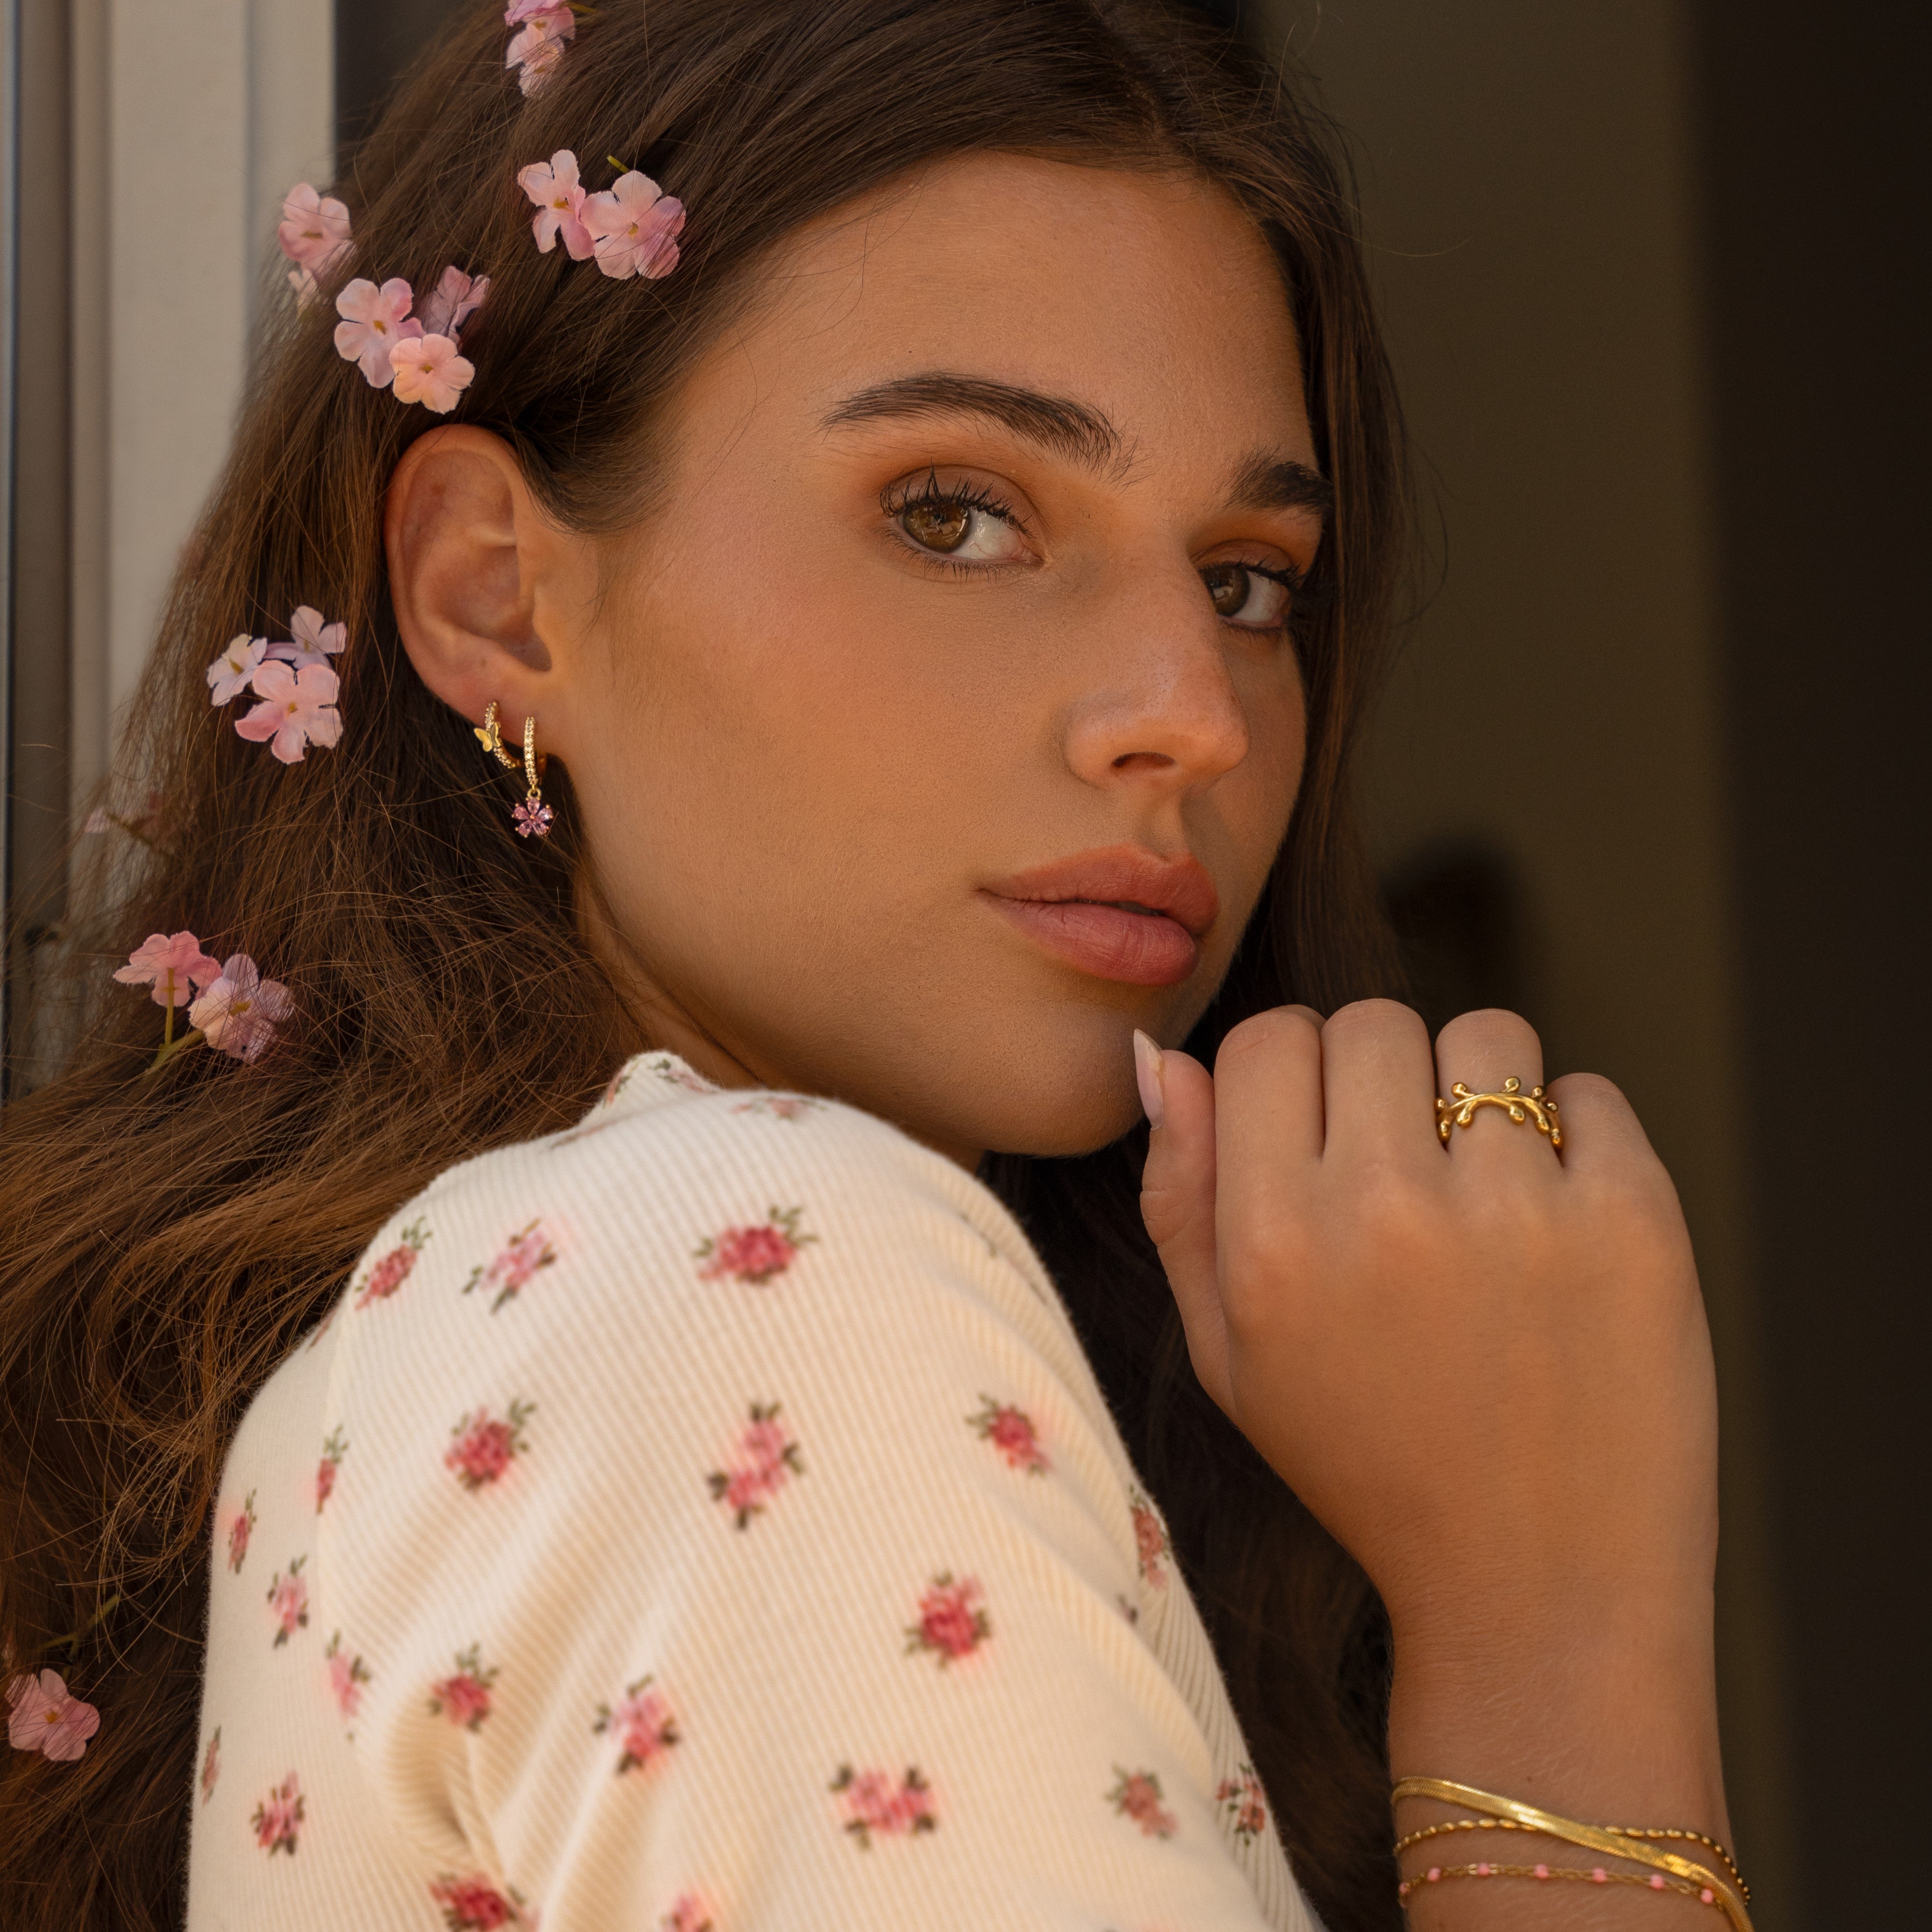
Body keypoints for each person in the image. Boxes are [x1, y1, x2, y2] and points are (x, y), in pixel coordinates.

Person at [0, 3, 1744, 1929]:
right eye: (957, 513)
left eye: (1248, 581)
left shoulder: (480, 1355)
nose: (1199, 718)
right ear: (496, 592)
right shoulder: (745, 1273)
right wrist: (1563, 1648)